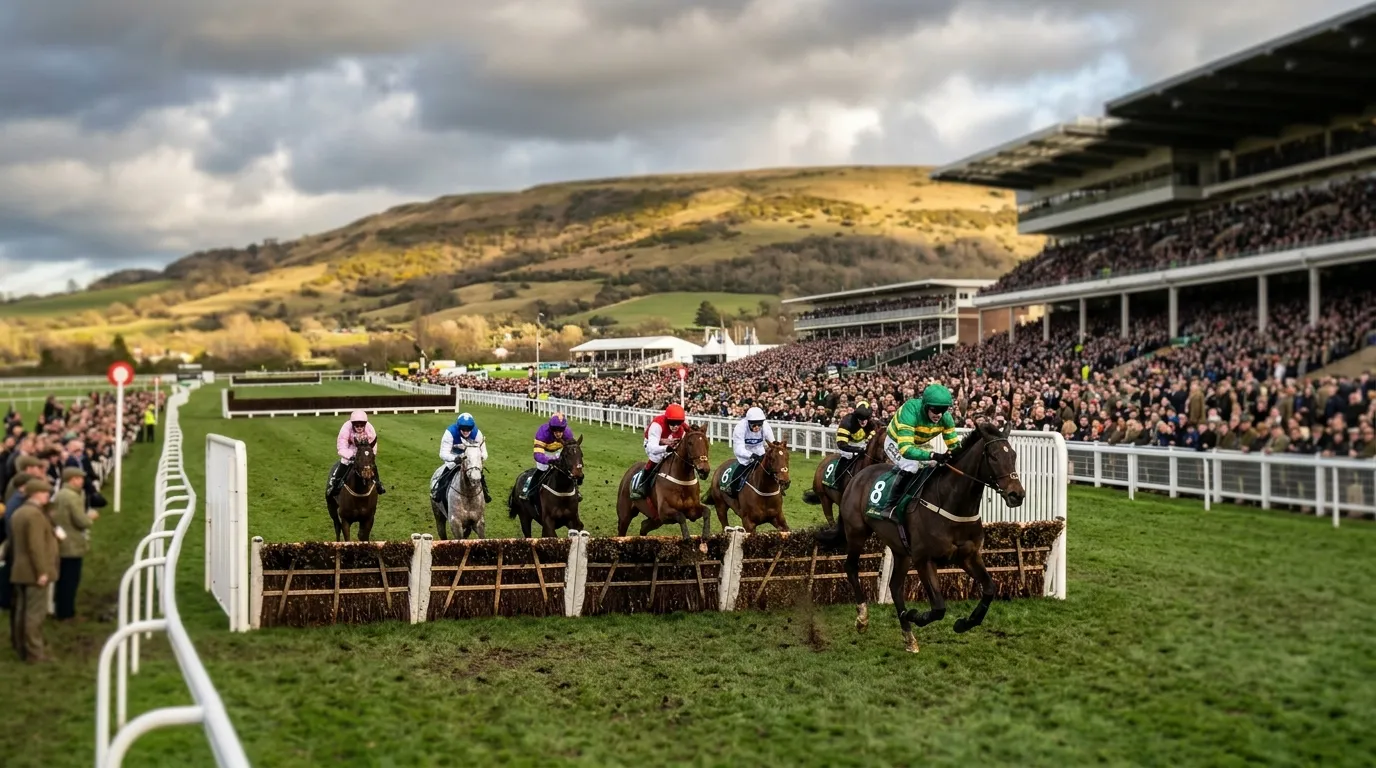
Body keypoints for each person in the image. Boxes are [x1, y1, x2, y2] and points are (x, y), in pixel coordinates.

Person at [877, 383, 960, 519]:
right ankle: (888, 506)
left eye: (943, 410)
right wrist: (933, 455)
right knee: (911, 466)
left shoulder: (946, 418)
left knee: (935, 464)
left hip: (915, 443)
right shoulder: (911, 409)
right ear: (926, 406)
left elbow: (955, 446)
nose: (938, 414)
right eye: (935, 409)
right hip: (896, 442)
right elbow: (905, 449)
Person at [9, 478, 57, 662]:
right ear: (36, 493)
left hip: (19, 569)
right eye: (45, 492)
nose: (48, 495)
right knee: (35, 614)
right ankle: (35, 652)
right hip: (33, 571)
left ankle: (22, 647)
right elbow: (35, 546)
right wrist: (42, 571)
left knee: (22, 611)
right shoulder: (35, 515)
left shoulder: (19, 512)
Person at [51, 467, 94, 621]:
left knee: (62, 578)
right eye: (79, 478)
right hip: (72, 542)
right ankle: (67, 613)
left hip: (62, 541)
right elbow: (80, 520)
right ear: (72, 479)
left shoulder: (61, 494)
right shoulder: (72, 496)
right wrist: (90, 519)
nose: (82, 481)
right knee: (70, 579)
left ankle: (60, 609)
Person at [633, 403, 687, 499]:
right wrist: (666, 447)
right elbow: (652, 448)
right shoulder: (657, 425)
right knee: (657, 457)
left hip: (669, 444)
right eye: (672, 423)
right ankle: (642, 485)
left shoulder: (682, 427)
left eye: (678, 423)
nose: (675, 426)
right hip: (651, 444)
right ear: (667, 420)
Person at [327, 410, 384, 499]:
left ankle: (378, 483)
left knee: (371, 465)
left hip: (365, 450)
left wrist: (369, 457)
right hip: (351, 449)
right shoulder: (346, 428)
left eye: (362, 425)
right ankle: (335, 483)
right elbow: (341, 445)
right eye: (357, 425)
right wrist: (350, 456)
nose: (359, 427)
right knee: (345, 461)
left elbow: (373, 445)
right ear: (352, 424)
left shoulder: (370, 429)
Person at [435, 412, 491, 504]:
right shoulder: (450, 433)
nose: (466, 431)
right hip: (454, 460)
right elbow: (443, 453)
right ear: (458, 427)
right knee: (447, 472)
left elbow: (484, 452)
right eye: (463, 429)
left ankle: (485, 492)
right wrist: (454, 458)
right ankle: (438, 492)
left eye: (468, 429)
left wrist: (479, 458)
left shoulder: (477, 433)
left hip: (470, 461)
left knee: (479, 475)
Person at [527, 413, 577, 500]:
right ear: (551, 429)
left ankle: (576, 491)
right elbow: (537, 455)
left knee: (568, 471)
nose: (558, 434)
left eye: (561, 431)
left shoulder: (568, 433)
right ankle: (530, 491)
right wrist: (549, 460)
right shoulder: (542, 432)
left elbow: (570, 451)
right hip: (545, 452)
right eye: (556, 431)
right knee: (542, 470)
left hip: (559, 451)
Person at [726, 407, 774, 496]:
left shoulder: (765, 426)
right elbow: (738, 448)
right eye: (754, 425)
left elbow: (771, 442)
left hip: (760, 451)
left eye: (759, 425)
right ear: (748, 422)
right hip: (745, 453)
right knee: (740, 473)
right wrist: (750, 455)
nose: (757, 428)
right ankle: (732, 488)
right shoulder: (740, 427)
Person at [831, 401, 874, 483]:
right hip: (847, 444)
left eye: (865, 419)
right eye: (860, 419)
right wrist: (857, 450)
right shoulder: (847, 422)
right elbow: (841, 444)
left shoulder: (870, 422)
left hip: (862, 443)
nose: (863, 422)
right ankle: (837, 480)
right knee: (847, 456)